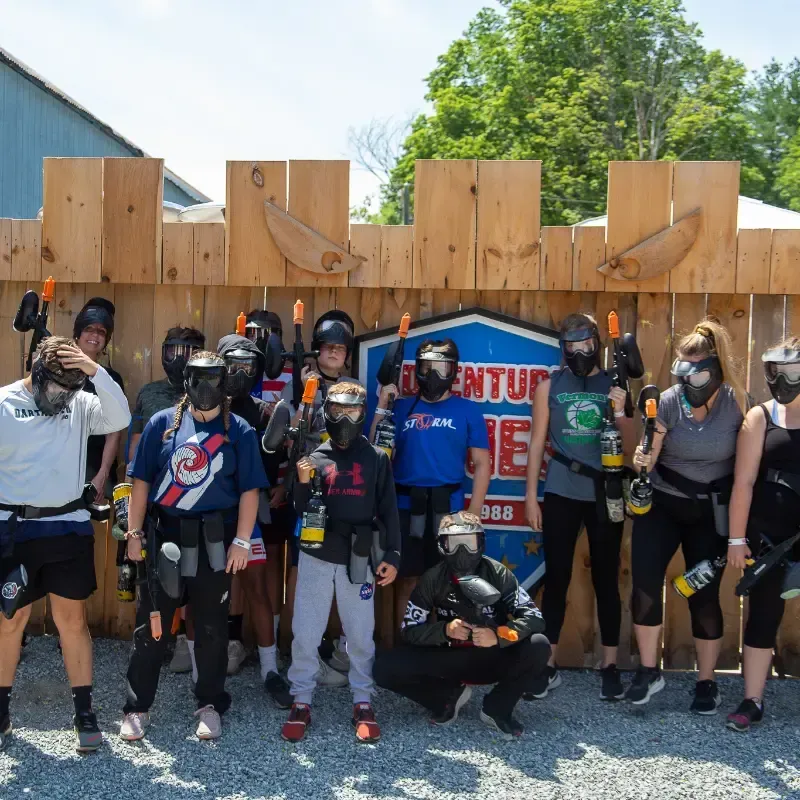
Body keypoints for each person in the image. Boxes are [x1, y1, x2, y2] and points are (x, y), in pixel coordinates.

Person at [119, 351, 268, 742]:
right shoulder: (161, 423)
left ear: (224, 382)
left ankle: (210, 704)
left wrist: (242, 541)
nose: (206, 386)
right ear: (186, 380)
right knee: (152, 625)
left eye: (213, 378)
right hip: (165, 538)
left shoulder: (239, 430)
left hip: (215, 540)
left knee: (212, 628)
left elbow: (250, 489)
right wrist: (133, 534)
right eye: (198, 377)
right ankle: (137, 707)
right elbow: (140, 482)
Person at [0, 336, 131, 752]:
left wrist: (94, 371)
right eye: (56, 387)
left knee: (72, 622)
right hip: (13, 528)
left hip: (66, 526)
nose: (61, 397)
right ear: (36, 372)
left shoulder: (81, 401)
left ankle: (85, 714)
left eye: (70, 388)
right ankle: (1, 714)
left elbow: (120, 415)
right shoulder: (3, 403)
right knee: (10, 620)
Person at [628, 319, 747, 712]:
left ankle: (707, 681)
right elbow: (648, 456)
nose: (688, 381)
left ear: (714, 369)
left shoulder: (736, 402)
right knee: (645, 585)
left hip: (710, 511)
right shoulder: (667, 400)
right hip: (663, 503)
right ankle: (649, 671)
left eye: (697, 373)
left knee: (704, 595)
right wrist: (642, 458)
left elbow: (748, 468)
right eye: (683, 372)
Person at [282, 382, 400, 744]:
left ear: (363, 413)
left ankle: (362, 700)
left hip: (359, 558)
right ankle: (301, 700)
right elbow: (301, 509)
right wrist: (302, 481)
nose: (345, 418)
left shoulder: (376, 458)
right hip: (317, 555)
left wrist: (393, 555)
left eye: (352, 411)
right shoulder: (315, 457)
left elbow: (389, 509)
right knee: (306, 631)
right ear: (327, 412)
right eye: (337, 411)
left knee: (360, 633)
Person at [524, 313, 634, 701]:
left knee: (606, 577)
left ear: (597, 344)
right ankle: (547, 664)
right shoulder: (549, 386)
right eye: (571, 346)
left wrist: (620, 410)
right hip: (561, 487)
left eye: (585, 344)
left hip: (605, 490)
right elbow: (537, 442)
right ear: (563, 348)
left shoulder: (614, 384)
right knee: (556, 578)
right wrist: (530, 496)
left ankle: (610, 665)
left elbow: (631, 446)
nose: (579, 353)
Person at [374, 512, 549, 739]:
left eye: (469, 542)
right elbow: (409, 630)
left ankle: (498, 708)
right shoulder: (432, 579)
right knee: (383, 668)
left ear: (481, 543)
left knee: (538, 644)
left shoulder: (497, 573)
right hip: (450, 657)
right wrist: (444, 631)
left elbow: (534, 617)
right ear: (442, 546)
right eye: (455, 544)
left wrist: (499, 635)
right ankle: (446, 698)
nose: (462, 551)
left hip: (493, 656)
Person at [371, 339, 491, 630]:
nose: (434, 376)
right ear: (417, 370)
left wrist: (474, 512)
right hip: (404, 507)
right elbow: (375, 451)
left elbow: (482, 463)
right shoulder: (401, 408)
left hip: (449, 511)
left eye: (442, 368)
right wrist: (382, 407)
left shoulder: (467, 410)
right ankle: (409, 644)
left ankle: (442, 647)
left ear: (453, 371)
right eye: (427, 368)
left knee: (447, 583)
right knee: (408, 581)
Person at [279, 309, 360, 683]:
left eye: (340, 348)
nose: (334, 352)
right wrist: (306, 397)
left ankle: (333, 648)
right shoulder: (298, 387)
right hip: (310, 492)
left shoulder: (353, 389)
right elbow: (289, 438)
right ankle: (299, 649)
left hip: (345, 491)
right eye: (327, 346)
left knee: (340, 573)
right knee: (302, 572)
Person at [726, 338, 800, 731]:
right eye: (776, 372)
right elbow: (743, 482)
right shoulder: (761, 417)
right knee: (764, 613)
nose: (783, 380)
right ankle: (752, 700)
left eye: (792, 372)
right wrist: (737, 538)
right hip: (770, 537)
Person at [217, 333, 292, 707]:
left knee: (258, 590)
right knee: (203, 592)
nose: (241, 374)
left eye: (249, 366)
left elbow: (283, 460)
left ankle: (270, 670)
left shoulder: (267, 411)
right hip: (207, 512)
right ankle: (203, 674)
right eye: (234, 365)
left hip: (248, 513)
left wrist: (283, 483)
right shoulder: (201, 405)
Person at [127, 325, 205, 677]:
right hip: (155, 500)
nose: (180, 359)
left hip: (196, 499)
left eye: (189, 352)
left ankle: (188, 644)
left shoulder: (208, 392)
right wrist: (131, 494)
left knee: (195, 577)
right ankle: (156, 642)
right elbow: (135, 445)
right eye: (174, 351)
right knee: (154, 578)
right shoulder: (150, 393)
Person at [74, 298, 125, 501]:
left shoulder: (111, 379)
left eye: (101, 331)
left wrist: (102, 474)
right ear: (78, 332)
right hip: (59, 468)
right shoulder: (57, 372)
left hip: (95, 467)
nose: (95, 335)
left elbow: (114, 432)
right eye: (89, 328)